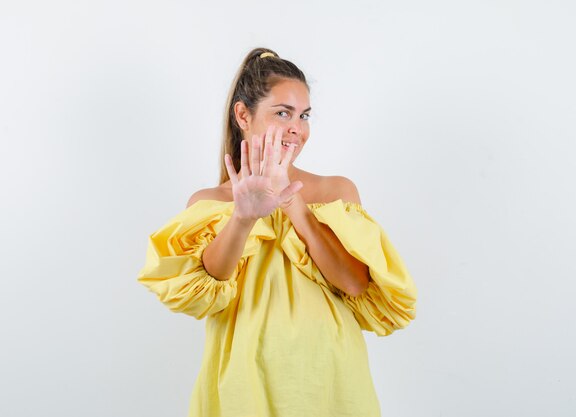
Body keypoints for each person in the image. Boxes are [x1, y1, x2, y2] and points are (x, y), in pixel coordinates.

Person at [137, 47, 418, 417]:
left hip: (329, 383)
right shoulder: (209, 203)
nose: (296, 129)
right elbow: (206, 288)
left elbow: (355, 284)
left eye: (303, 116)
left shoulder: (336, 192)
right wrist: (243, 216)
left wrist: (293, 205)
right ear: (243, 115)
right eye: (282, 113)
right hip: (244, 383)